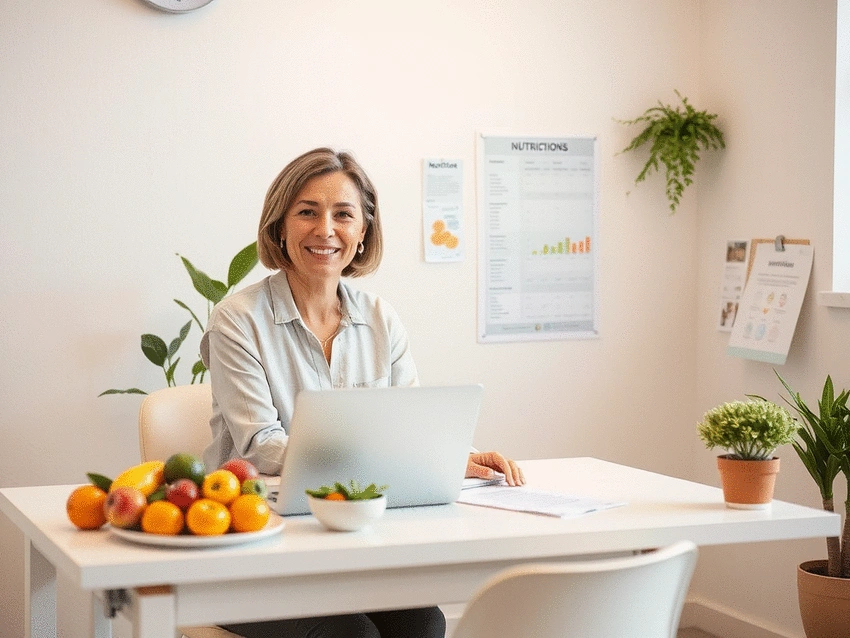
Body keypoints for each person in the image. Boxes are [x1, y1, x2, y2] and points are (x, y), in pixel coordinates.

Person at [201, 147, 524, 638]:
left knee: (423, 623)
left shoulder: (379, 318)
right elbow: (263, 448)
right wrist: (391, 458)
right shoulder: (237, 321)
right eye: (307, 211)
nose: (325, 229)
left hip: (353, 548)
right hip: (253, 554)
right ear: (279, 227)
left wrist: (456, 455)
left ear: (363, 231)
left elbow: (410, 423)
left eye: (343, 214)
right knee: (350, 636)